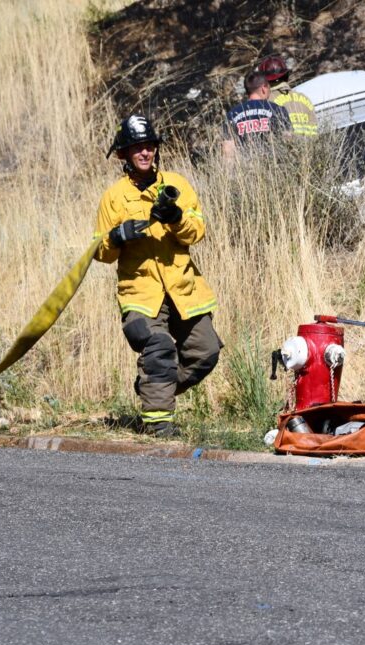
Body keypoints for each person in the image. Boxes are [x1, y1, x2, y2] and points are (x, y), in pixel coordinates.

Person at [94, 114, 222, 437]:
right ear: (123, 154)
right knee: (159, 347)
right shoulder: (113, 198)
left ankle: (153, 384)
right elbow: (101, 253)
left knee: (207, 352)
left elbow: (197, 232)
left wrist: (176, 217)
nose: (144, 152)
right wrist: (116, 236)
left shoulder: (177, 186)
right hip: (140, 298)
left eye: (149, 145)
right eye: (137, 147)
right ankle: (158, 425)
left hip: (182, 291)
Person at [222, 71, 291, 157]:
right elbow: (288, 141)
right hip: (275, 165)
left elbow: (228, 151)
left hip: (247, 167)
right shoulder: (278, 110)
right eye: (269, 87)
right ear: (264, 88)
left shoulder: (232, 114)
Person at [257, 55, 319, 138]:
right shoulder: (305, 99)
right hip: (311, 148)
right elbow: (315, 131)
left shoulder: (266, 102)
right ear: (286, 75)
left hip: (282, 149)